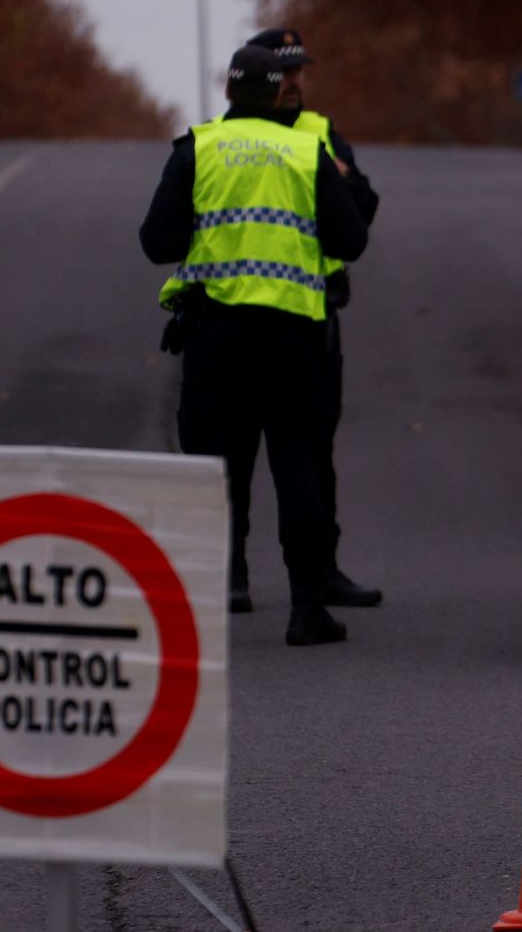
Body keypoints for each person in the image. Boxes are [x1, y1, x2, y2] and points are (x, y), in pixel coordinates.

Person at [139, 44, 368, 645]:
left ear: (230, 93)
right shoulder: (304, 151)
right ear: (277, 95)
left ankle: (223, 588)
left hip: (216, 336)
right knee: (297, 464)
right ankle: (306, 608)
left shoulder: (200, 147)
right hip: (293, 335)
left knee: (217, 467)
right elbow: (352, 235)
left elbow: (156, 241)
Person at [223, 27, 384, 614]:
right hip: (237, 314)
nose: (293, 83)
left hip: (313, 314)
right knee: (235, 453)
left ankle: (321, 570)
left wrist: (341, 182)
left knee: (314, 453)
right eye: (282, 73)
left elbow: (362, 209)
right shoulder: (226, 141)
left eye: (298, 72)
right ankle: (231, 571)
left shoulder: (321, 133)